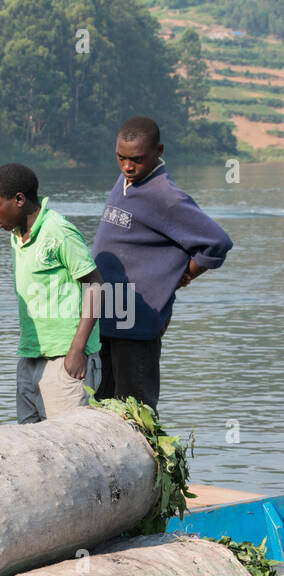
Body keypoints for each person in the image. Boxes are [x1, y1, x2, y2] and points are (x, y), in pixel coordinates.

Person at [91, 116, 232, 410]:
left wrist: (187, 273)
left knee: (136, 410)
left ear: (158, 151)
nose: (128, 166)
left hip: (137, 321)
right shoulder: (128, 180)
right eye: (121, 158)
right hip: (107, 315)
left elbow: (217, 241)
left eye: (137, 160)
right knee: (103, 406)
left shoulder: (164, 196)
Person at [0, 163, 104, 423]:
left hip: (67, 360)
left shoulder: (58, 231)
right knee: (31, 447)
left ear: (19, 200)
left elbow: (96, 286)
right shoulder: (17, 235)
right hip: (30, 356)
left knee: (69, 448)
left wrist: (77, 349)